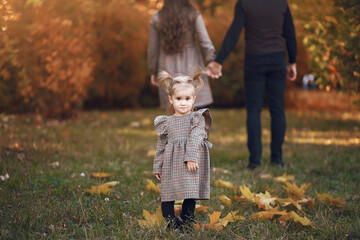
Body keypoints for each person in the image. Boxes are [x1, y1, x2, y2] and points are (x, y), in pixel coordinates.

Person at [206, 0, 297, 169]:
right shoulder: (281, 3)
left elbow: (234, 32)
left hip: (254, 61)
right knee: (277, 109)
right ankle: (277, 159)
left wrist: (219, 60)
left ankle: (255, 161)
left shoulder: (244, 3)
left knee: (254, 110)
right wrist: (292, 61)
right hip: (277, 59)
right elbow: (290, 34)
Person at [153, 70, 212, 231]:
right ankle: (173, 223)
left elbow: (196, 138)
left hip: (190, 163)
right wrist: (158, 166)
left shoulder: (197, 119)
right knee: (166, 196)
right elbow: (161, 145)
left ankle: (187, 222)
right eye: (179, 99)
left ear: (194, 99)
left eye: (187, 99)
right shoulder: (166, 122)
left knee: (190, 193)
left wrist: (191, 158)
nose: (183, 103)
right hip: (171, 164)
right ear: (171, 100)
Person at [148, 0, 216, 110]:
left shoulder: (157, 17)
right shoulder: (193, 13)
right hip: (192, 63)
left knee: (175, 106)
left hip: (167, 65)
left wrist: (154, 70)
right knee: (195, 105)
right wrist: (211, 60)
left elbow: (153, 49)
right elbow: (205, 41)